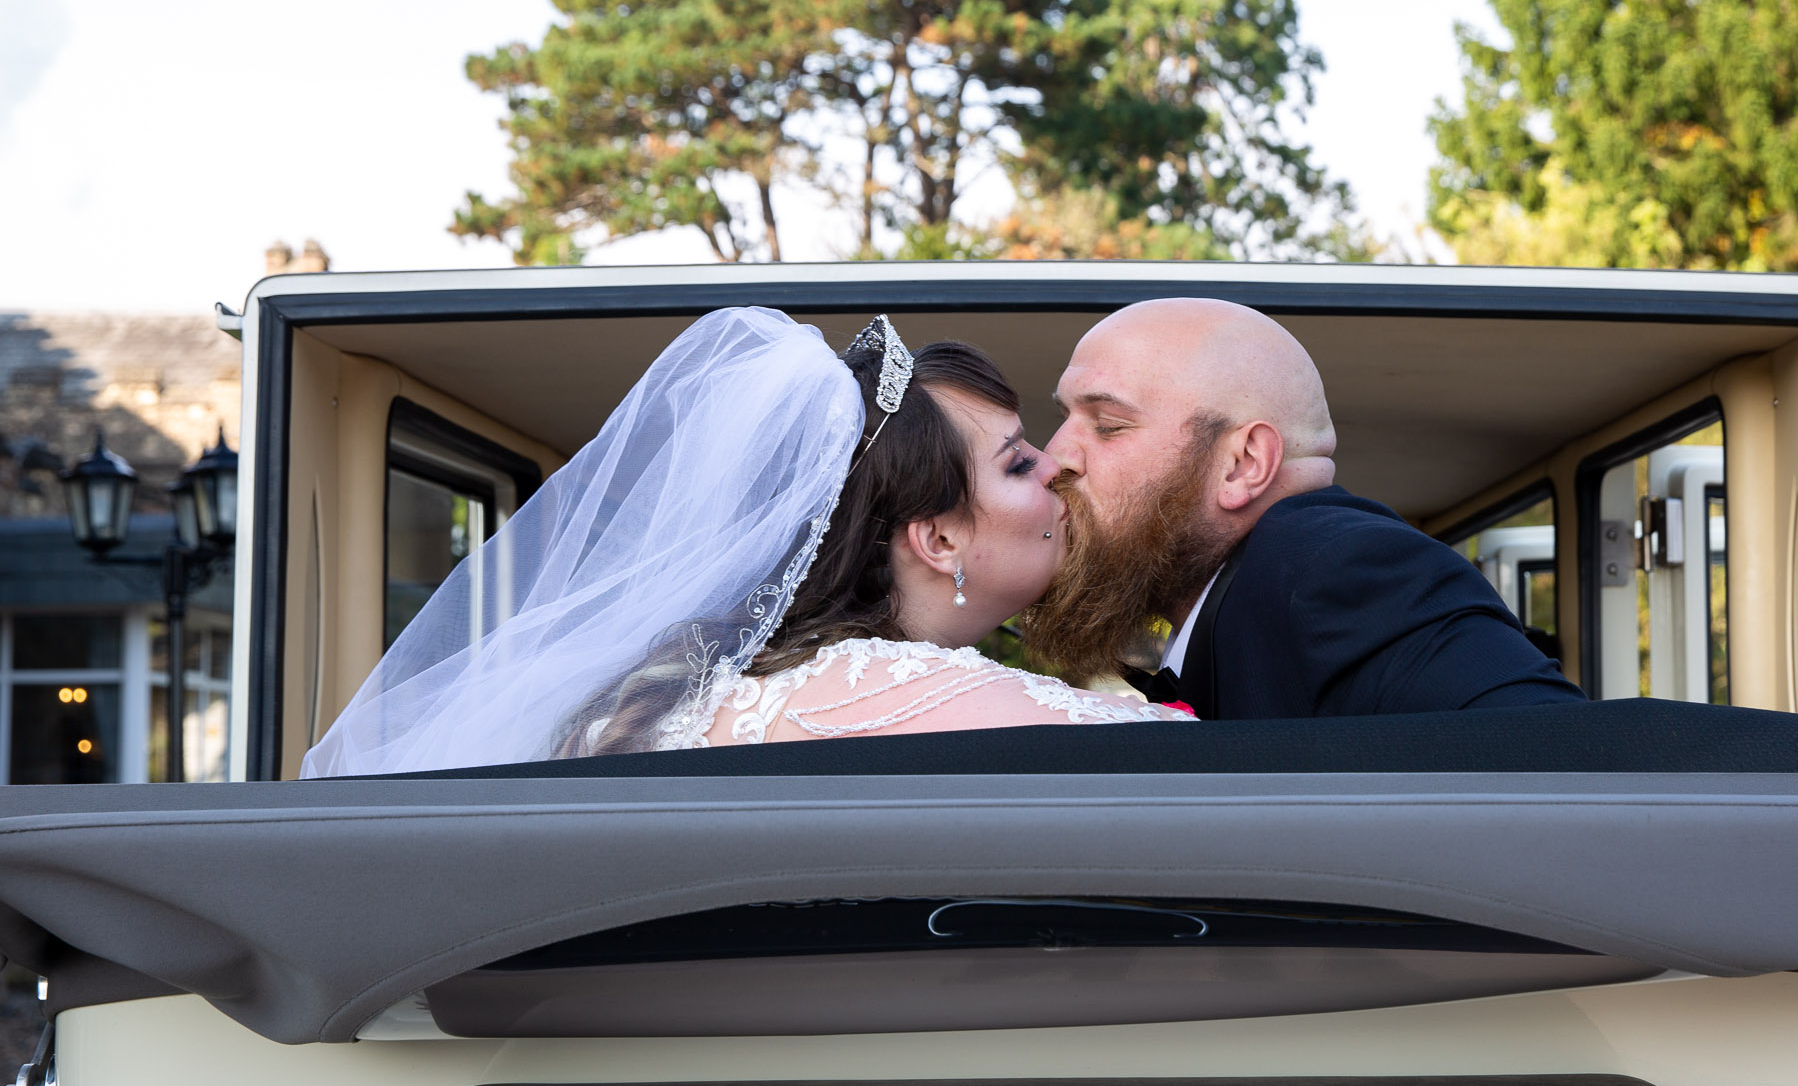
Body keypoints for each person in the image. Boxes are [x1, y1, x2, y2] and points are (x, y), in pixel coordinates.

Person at [301, 308, 1185, 778]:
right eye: (1020, 462)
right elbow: (1185, 764)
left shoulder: (729, 680)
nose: (1059, 470)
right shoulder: (878, 684)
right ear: (939, 538)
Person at [1025, 297, 1585, 720]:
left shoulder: (1344, 571)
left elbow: (1561, 771)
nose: (1053, 458)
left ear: (1244, 464)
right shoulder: (1243, 596)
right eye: (1065, 418)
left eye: (1108, 425)